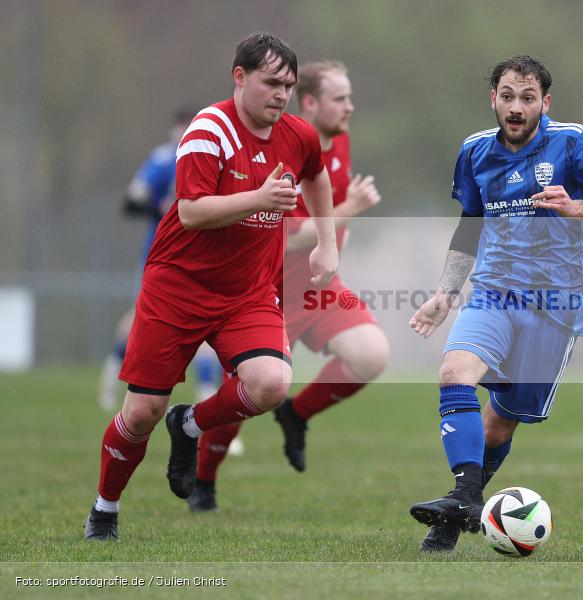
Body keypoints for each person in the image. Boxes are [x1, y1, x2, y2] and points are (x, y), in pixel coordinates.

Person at [83, 32, 339, 541]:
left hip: (247, 292)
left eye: (288, 85)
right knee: (141, 413)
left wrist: (327, 244)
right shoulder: (209, 128)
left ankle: (191, 425)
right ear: (239, 77)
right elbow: (192, 211)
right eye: (271, 83)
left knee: (270, 383)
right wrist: (258, 196)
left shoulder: (297, 134)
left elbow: (317, 176)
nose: (281, 95)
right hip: (177, 287)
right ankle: (104, 508)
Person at [407, 55, 583, 552]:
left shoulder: (573, 142)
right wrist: (445, 295)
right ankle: (462, 501)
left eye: (528, 98)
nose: (516, 108)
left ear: (545, 102)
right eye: (508, 96)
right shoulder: (474, 151)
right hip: (493, 292)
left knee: (500, 421)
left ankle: (461, 507)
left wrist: (581, 206)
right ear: (492, 98)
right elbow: (470, 223)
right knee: (455, 371)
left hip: (557, 306)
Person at [186, 60, 390, 512]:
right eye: (340, 99)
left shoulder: (338, 140)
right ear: (312, 102)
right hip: (267, 292)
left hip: (318, 288)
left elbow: (324, 215)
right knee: (241, 400)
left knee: (372, 354)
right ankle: (203, 481)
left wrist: (337, 238)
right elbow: (288, 233)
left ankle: (296, 414)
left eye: (350, 97)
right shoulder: (284, 148)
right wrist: (348, 210)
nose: (349, 107)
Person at [97, 110, 230, 452]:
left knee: (205, 328)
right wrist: (161, 206)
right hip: (163, 258)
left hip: (206, 259)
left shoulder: (219, 154)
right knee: (137, 320)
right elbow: (130, 202)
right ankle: (112, 373)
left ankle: (203, 411)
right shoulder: (164, 158)